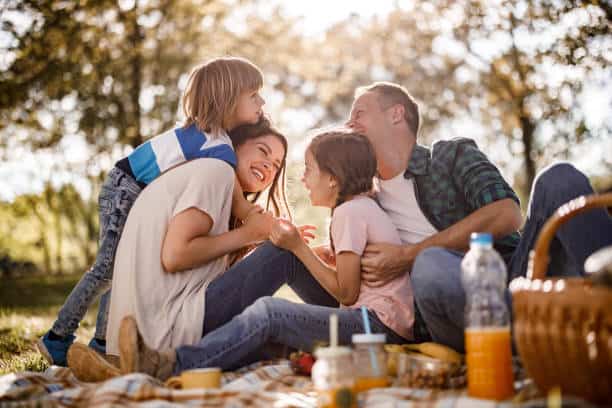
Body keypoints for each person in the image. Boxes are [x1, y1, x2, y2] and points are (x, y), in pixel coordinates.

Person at [115, 130, 416, 379]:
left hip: (376, 328)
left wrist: (298, 246)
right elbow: (352, 285)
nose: (302, 179)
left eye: (309, 169)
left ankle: (174, 364)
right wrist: (308, 253)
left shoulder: (349, 213)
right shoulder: (358, 208)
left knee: (271, 312)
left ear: (333, 178)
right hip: (372, 321)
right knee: (283, 271)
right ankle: (204, 356)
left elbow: (347, 294)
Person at [345, 81, 612, 352]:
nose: (349, 124)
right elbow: (349, 281)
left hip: (518, 277)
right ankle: (533, 339)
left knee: (559, 178)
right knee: (431, 265)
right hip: (459, 308)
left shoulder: (450, 155)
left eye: (358, 114)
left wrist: (406, 256)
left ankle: (598, 308)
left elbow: (506, 213)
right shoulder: (364, 202)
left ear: (395, 114)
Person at [38, 56, 268, 366]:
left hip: (130, 186)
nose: (261, 101)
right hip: (125, 186)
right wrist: (261, 225)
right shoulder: (215, 144)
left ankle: (102, 342)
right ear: (227, 97)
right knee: (107, 268)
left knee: (119, 270)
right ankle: (58, 337)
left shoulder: (210, 138)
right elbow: (240, 203)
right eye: (253, 95)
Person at [67, 117, 290, 381]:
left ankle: (119, 370)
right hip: (166, 327)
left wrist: (254, 242)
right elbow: (175, 256)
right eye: (263, 151)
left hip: (151, 327)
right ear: (235, 146)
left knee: (277, 340)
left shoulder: (208, 177)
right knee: (285, 258)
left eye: (276, 165)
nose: (269, 165)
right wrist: (253, 237)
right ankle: (350, 329)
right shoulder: (217, 171)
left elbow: (209, 270)